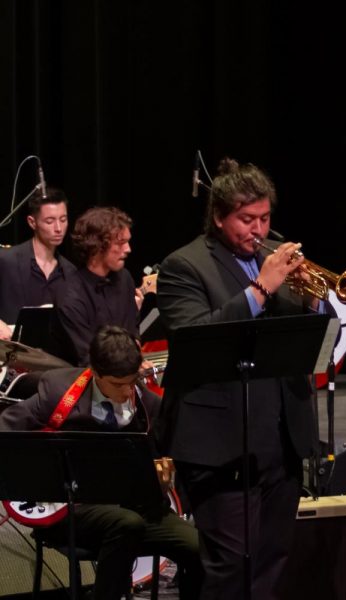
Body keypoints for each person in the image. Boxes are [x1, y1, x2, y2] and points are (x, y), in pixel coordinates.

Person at [156, 157, 325, 600]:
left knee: (272, 559)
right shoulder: (183, 266)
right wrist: (260, 288)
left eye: (265, 218)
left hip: (280, 434)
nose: (258, 230)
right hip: (220, 442)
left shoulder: (278, 251)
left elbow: (301, 336)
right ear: (218, 217)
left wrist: (313, 304)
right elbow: (196, 338)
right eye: (246, 220)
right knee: (230, 569)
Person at [0, 326, 201, 600]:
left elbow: (179, 439)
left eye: (132, 381)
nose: (128, 390)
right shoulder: (59, 392)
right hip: (70, 508)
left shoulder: (143, 401)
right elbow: (6, 430)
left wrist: (162, 471)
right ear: (95, 372)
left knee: (197, 546)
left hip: (132, 508)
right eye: (118, 384)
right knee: (126, 524)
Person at [56, 207, 141, 366]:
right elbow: (87, 357)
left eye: (127, 242)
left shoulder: (125, 279)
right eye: (121, 243)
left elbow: (133, 333)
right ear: (97, 246)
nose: (128, 249)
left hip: (126, 372)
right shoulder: (70, 294)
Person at [0, 187, 76, 340]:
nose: (58, 228)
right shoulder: (6, 260)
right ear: (32, 222)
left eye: (63, 219)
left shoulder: (71, 272)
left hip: (52, 360)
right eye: (50, 221)